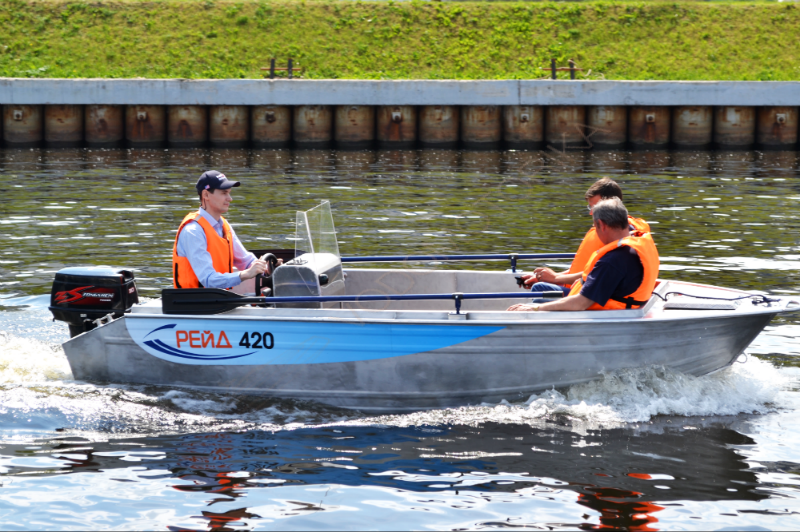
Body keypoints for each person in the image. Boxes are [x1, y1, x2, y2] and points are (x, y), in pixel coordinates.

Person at [509, 197, 659, 312]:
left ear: (602, 225)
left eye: (595, 227)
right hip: (613, 302)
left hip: (592, 313)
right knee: (540, 288)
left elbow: (580, 303)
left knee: (532, 305)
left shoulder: (613, 260)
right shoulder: (634, 244)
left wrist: (534, 309)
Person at [523, 178, 650, 296]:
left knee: (539, 288)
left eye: (594, 207)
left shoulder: (617, 235)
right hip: (580, 287)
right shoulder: (609, 230)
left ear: (610, 204)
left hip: (590, 295)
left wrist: (556, 278)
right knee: (541, 285)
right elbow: (587, 268)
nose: (591, 212)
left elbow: (600, 273)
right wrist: (550, 277)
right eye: (590, 206)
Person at [172, 170, 270, 289]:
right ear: (206, 195)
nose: (230, 198)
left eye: (229, 193)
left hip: (219, 297)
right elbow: (208, 279)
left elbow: (246, 261)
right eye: (224, 193)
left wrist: (267, 268)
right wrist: (246, 274)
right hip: (194, 299)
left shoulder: (224, 225)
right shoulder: (193, 231)